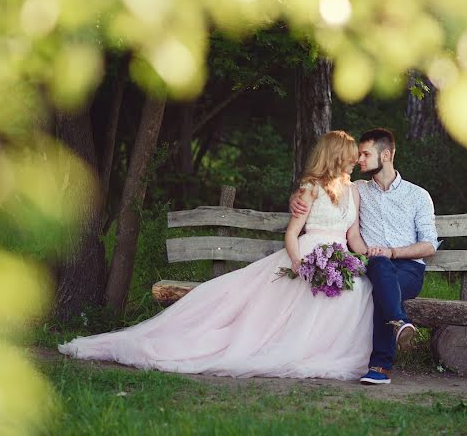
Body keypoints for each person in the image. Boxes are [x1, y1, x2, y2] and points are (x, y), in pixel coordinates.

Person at [58, 130, 376, 380]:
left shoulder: (355, 192)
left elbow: (354, 237)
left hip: (338, 260)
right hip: (306, 256)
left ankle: (319, 351)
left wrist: (367, 255)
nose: (353, 162)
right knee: (287, 301)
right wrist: (298, 262)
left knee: (357, 291)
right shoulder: (310, 189)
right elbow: (292, 234)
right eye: (349, 158)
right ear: (335, 157)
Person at [290, 128, 439, 385]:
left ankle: (382, 363)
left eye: (365, 154)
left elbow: (430, 245)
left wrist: (394, 252)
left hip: (408, 269)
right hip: (375, 263)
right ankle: (397, 329)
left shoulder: (418, 196)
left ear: (387, 155)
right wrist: (295, 198)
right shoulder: (356, 189)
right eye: (358, 154)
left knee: (383, 285)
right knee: (380, 270)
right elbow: (323, 186)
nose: (359, 159)